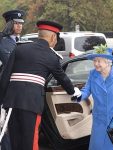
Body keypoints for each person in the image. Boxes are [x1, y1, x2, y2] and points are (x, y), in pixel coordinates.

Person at [0, 20, 80, 150]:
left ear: (39, 34)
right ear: (53, 37)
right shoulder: (51, 56)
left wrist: (2, 103)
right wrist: (73, 91)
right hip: (32, 104)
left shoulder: (19, 48)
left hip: (12, 103)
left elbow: (4, 76)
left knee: (15, 141)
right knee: (30, 142)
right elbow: (62, 78)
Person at [74, 44, 113, 150]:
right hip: (99, 119)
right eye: (94, 61)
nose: (95, 64)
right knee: (98, 146)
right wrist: (79, 95)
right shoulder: (93, 74)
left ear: (108, 61)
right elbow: (86, 90)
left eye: (99, 61)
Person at [0, 9, 25, 150]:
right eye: (16, 23)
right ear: (9, 24)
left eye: (21, 23)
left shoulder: (21, 42)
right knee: (5, 126)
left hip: (18, 92)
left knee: (15, 125)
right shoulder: (2, 41)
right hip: (4, 91)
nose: (20, 26)